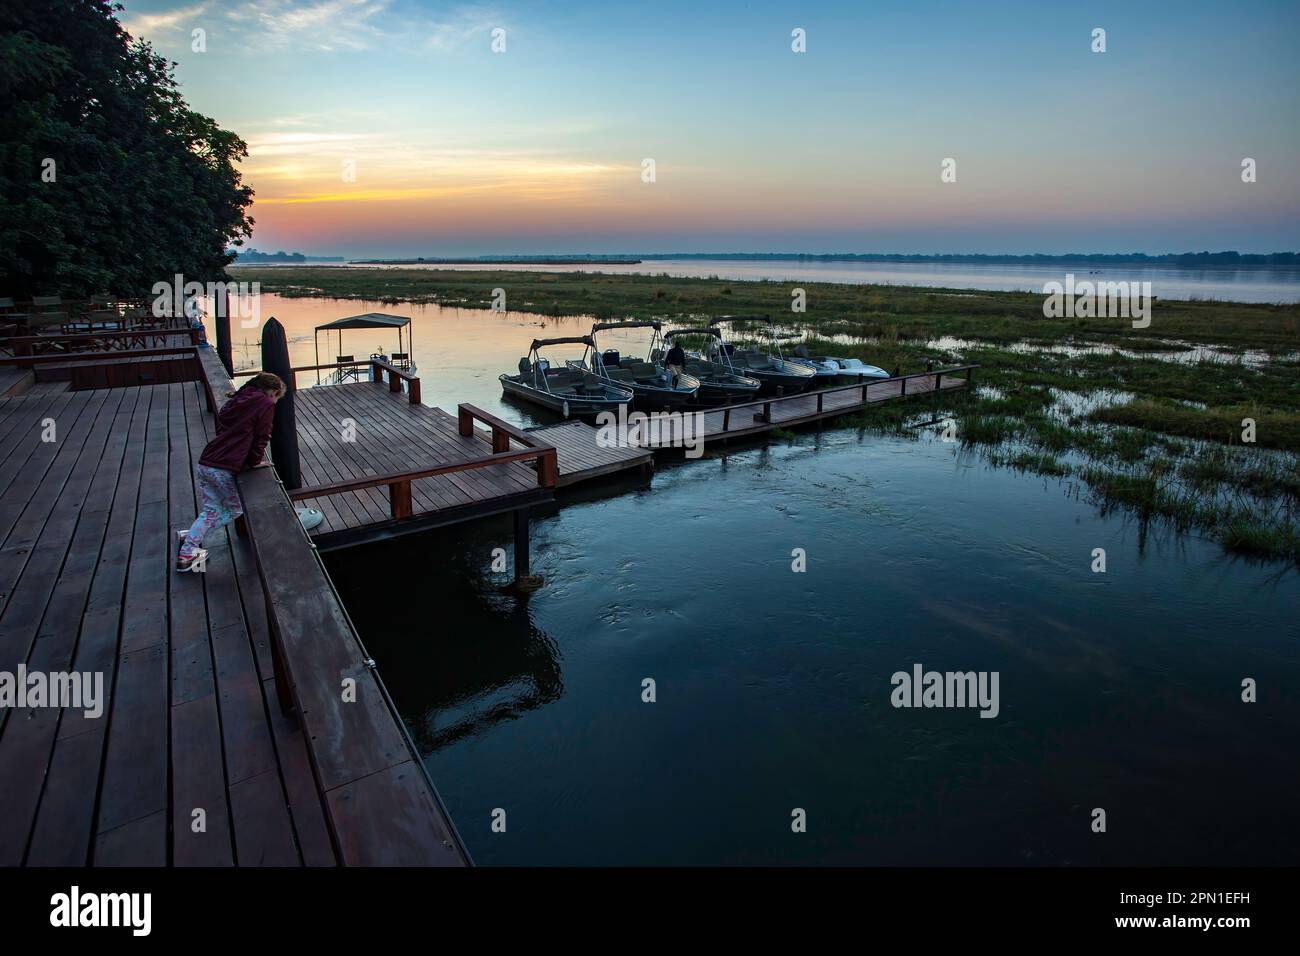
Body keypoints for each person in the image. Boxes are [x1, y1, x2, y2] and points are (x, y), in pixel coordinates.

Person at [176, 372, 285, 572]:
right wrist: (254, 462)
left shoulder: (240, 399)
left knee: (211, 510)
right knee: (234, 509)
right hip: (223, 467)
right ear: (273, 391)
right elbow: (263, 436)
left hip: (207, 461)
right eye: (278, 397)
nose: (276, 402)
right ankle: (187, 555)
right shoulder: (265, 403)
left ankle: (189, 535)